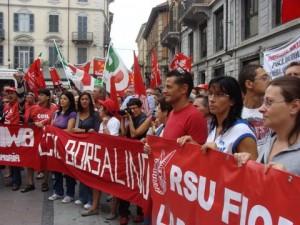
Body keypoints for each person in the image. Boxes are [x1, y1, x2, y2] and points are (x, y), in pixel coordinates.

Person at [178, 76, 258, 159]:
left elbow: (253, 170)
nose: (212, 99)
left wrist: (218, 156)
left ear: (232, 100)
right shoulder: (215, 126)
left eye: (219, 94)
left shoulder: (242, 132)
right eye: (210, 94)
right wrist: (195, 145)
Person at [234, 76, 300, 175]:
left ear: (294, 107)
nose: (261, 109)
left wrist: (288, 182)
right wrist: (251, 163)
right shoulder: (270, 140)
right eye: (263, 101)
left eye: (269, 102)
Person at [81, 98, 120, 217]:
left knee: (113, 184)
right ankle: (94, 207)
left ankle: (113, 212)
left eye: (101, 108)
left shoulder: (114, 121)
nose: (98, 110)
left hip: (111, 158)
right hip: (102, 156)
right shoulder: (103, 121)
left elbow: (112, 140)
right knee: (96, 182)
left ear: (106, 110)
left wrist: (104, 124)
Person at [119, 97, 152, 225]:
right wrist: (123, 119)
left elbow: (134, 134)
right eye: (130, 109)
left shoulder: (145, 119)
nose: (132, 111)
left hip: (141, 156)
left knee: (140, 184)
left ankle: (140, 212)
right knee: (125, 183)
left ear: (140, 107)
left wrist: (130, 119)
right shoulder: (129, 118)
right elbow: (123, 133)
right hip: (129, 155)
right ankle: (124, 213)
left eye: (134, 108)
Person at [21, 88, 57, 193]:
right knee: (29, 160)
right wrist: (34, 124)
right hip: (33, 138)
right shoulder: (33, 108)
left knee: (46, 160)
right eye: (39, 95)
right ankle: (30, 183)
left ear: (48, 97)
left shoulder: (54, 108)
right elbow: (27, 122)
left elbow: (55, 121)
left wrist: (45, 123)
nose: (39, 97)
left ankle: (45, 182)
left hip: (47, 137)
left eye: (41, 95)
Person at [71, 92, 100, 210]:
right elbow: (72, 129)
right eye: (82, 99)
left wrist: (84, 131)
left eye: (86, 99)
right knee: (81, 172)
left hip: (92, 147)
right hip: (79, 146)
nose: (84, 101)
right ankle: (82, 196)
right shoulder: (77, 114)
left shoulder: (95, 115)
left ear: (90, 101)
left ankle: (90, 199)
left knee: (90, 173)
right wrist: (85, 131)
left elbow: (96, 130)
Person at [162, 69, 207, 144]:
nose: (164, 91)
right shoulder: (172, 113)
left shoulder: (195, 116)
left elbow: (200, 153)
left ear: (184, 89)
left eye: (169, 87)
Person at [48, 91, 77, 203]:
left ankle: (70, 194)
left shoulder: (72, 114)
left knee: (67, 169)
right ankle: (58, 192)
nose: (62, 100)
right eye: (61, 98)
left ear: (70, 101)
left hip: (66, 145)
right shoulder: (56, 113)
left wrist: (56, 132)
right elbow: (51, 127)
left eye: (65, 99)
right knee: (56, 168)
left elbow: (69, 130)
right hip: (55, 144)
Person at [238, 64, 272, 152]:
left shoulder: (275, 108)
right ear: (249, 84)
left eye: (268, 77)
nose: (269, 81)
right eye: (264, 78)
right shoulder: (234, 112)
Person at [2, 73, 26, 191]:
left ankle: (17, 182)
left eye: (12, 93)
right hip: (6, 136)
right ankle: (12, 179)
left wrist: (19, 81)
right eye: (8, 93)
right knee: (9, 159)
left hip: (16, 136)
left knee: (15, 160)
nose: (10, 95)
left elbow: (22, 96)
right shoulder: (6, 106)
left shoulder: (19, 105)